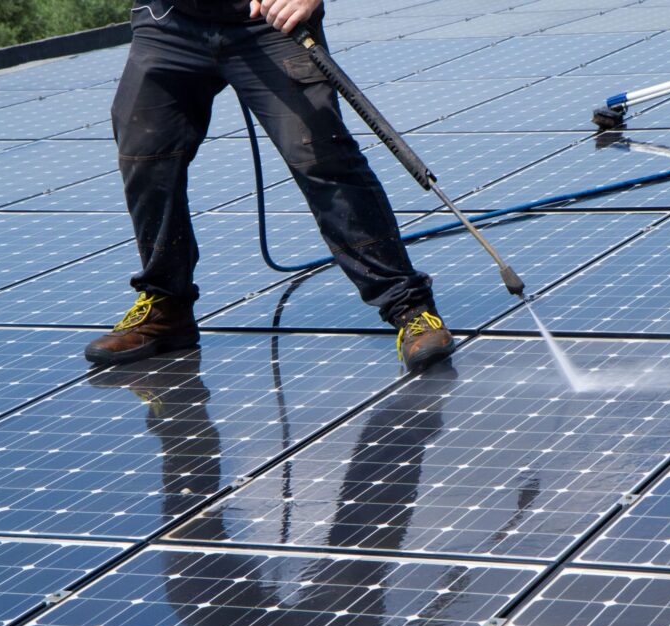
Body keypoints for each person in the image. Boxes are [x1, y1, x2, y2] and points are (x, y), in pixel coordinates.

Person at [83, 0, 455, 372]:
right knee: (144, 155)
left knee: (320, 156)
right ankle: (166, 307)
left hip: (268, 21)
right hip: (169, 20)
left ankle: (410, 308)